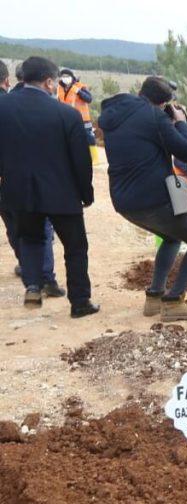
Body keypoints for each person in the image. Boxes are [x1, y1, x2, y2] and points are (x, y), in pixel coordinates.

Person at [100, 76, 187, 321]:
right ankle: (174, 301)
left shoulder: (116, 115)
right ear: (163, 103)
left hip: (124, 200)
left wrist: (165, 124)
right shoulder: (155, 117)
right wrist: (181, 123)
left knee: (171, 237)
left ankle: (154, 297)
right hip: (155, 198)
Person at [0, 56, 98, 317]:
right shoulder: (67, 114)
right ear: (48, 82)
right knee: (75, 248)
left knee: (30, 239)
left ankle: (33, 285)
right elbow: (81, 160)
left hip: (19, 191)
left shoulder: (3, 107)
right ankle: (80, 302)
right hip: (62, 194)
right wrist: (86, 194)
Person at [56, 68, 98, 163]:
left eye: (67, 76)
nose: (65, 78)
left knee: (89, 136)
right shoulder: (59, 88)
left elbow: (89, 99)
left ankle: (95, 157)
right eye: (63, 77)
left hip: (83, 118)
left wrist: (78, 92)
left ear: (72, 77)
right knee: (67, 137)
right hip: (66, 118)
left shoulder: (80, 86)